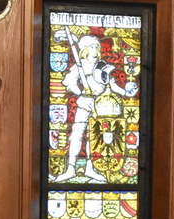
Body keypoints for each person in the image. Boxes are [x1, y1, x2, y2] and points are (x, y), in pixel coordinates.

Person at [53, 33, 136, 182]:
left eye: (96, 48)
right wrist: (80, 95)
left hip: (100, 105)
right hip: (84, 103)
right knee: (77, 134)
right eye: (91, 48)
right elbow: (70, 82)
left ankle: (91, 168)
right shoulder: (79, 66)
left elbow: (112, 85)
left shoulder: (102, 66)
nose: (95, 52)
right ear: (84, 50)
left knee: (95, 137)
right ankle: (70, 169)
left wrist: (126, 92)